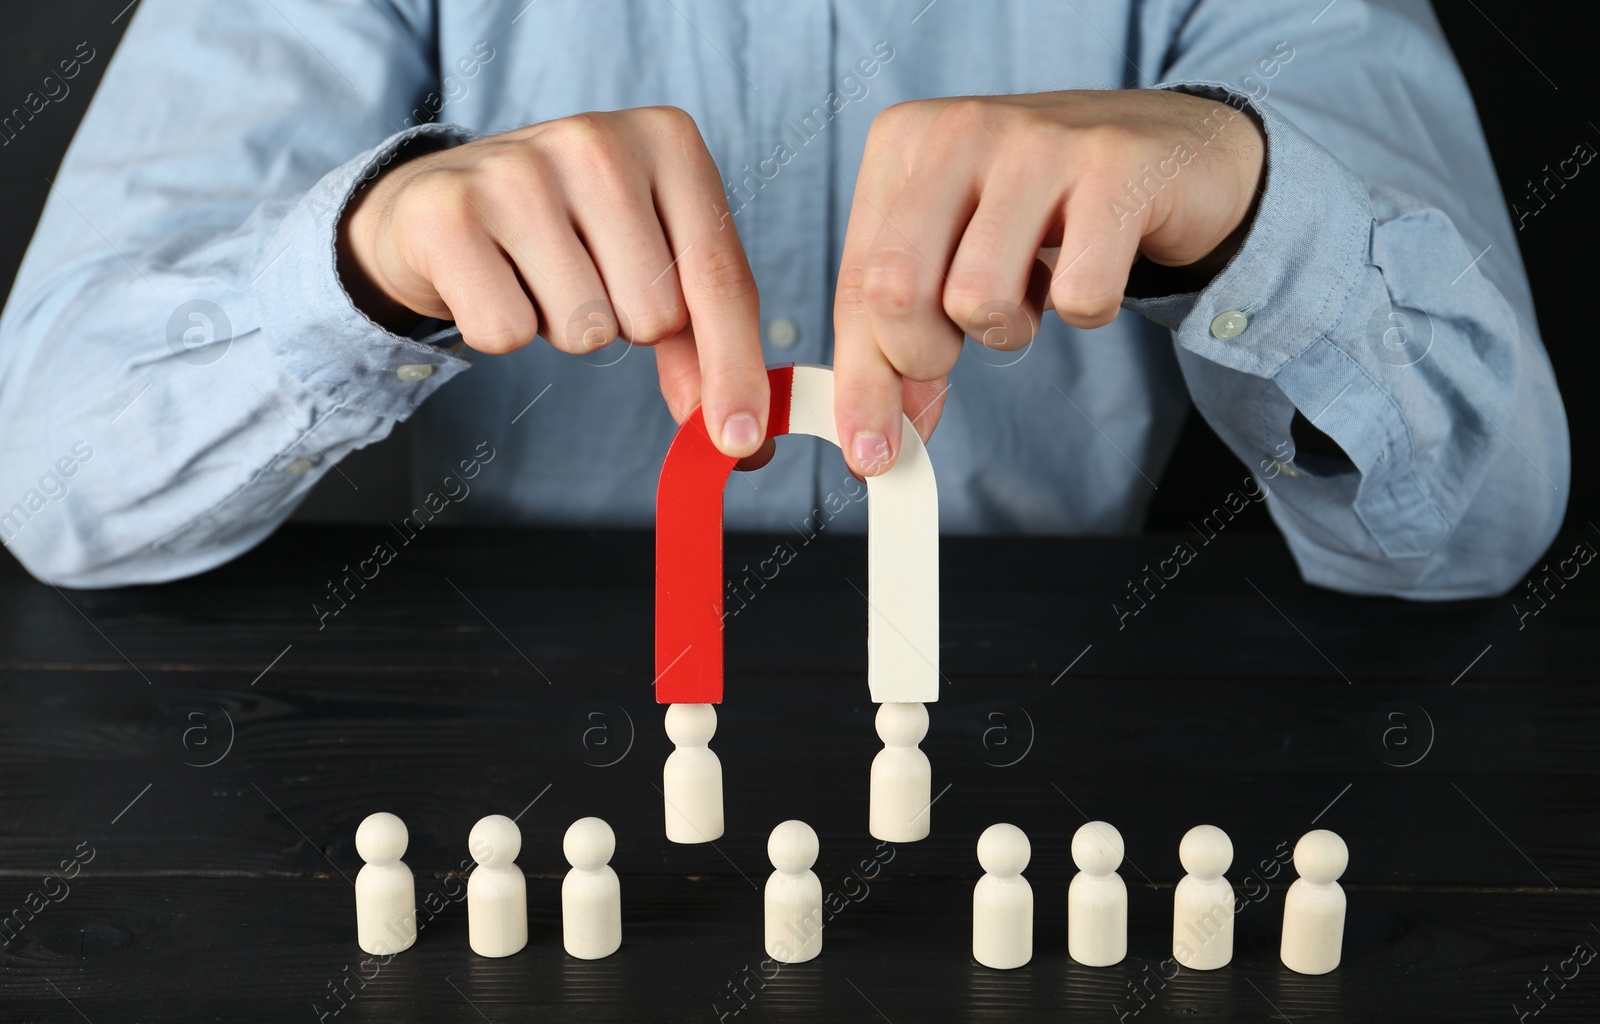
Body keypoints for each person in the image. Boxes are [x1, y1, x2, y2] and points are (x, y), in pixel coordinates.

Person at [0, 0, 1568, 597]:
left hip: (1048, 729)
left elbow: (1478, 531)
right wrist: (362, 266)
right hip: (525, 743)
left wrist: (1248, 210)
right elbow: (54, 490)